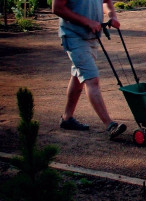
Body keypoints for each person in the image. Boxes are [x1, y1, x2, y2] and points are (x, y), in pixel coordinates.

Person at [52, 0, 126, 139]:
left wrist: (112, 15)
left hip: (91, 36)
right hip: (74, 36)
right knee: (92, 79)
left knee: (78, 76)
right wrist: (86, 21)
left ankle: (67, 118)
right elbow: (57, 8)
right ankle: (110, 125)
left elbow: (105, 2)